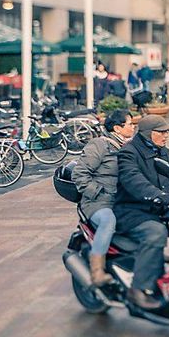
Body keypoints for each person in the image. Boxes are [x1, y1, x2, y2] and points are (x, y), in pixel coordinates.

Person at [114, 115, 169, 310]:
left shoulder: (163, 152)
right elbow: (134, 181)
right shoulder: (128, 153)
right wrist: (157, 195)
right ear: (149, 134)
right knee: (155, 233)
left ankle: (168, 272)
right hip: (131, 210)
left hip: (155, 206)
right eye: (162, 132)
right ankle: (138, 289)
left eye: (167, 131)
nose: (166, 135)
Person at [72, 109, 134, 286]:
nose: (133, 127)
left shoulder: (128, 146)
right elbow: (79, 174)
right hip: (97, 202)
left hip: (120, 201)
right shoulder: (99, 145)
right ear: (117, 128)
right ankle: (97, 270)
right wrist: (100, 193)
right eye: (130, 124)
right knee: (108, 221)